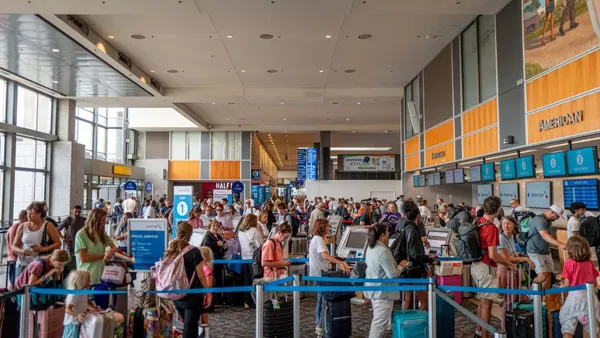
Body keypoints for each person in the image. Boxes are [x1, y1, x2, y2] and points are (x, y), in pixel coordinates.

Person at [472, 196, 516, 338]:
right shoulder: (491, 228)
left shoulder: (478, 222)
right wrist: (508, 263)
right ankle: (485, 335)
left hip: (475, 265)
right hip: (485, 267)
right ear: (497, 211)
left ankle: (479, 331)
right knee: (487, 304)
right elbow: (493, 255)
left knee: (482, 300)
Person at [167, 222, 210, 338]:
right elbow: (201, 276)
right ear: (190, 234)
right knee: (190, 328)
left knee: (188, 325)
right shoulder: (194, 251)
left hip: (176, 293)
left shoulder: (171, 249)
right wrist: (208, 293)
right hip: (192, 294)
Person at [309, 219, 351, 335]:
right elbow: (325, 255)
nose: (329, 228)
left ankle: (320, 324)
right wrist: (340, 263)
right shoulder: (319, 240)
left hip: (318, 273)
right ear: (323, 227)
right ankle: (320, 325)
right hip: (320, 274)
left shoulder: (318, 239)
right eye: (328, 226)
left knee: (321, 299)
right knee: (322, 300)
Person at [497, 216, 536, 332]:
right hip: (505, 270)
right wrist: (525, 259)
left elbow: (511, 254)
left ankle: (514, 325)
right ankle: (505, 327)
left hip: (511, 269)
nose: (506, 226)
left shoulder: (511, 237)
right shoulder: (501, 237)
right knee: (508, 300)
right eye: (504, 224)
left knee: (516, 298)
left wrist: (518, 256)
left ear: (514, 225)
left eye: (508, 224)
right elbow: (506, 258)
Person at [364, 223, 401, 338]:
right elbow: (392, 274)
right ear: (383, 235)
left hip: (374, 291)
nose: (389, 235)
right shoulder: (383, 251)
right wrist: (401, 266)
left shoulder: (371, 248)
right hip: (383, 293)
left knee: (378, 321)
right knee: (378, 326)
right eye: (387, 233)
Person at [559, 236, 600, 337]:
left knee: (567, 328)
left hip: (575, 299)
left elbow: (567, 284)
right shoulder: (589, 263)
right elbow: (594, 283)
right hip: (589, 298)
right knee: (594, 329)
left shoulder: (569, 263)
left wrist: (562, 286)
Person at [397, 201, 435, 310]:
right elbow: (416, 254)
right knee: (425, 302)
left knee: (408, 301)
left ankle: (407, 324)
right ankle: (422, 325)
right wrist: (429, 259)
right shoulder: (413, 230)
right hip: (414, 271)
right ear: (417, 217)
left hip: (406, 268)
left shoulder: (404, 227)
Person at [12, 202, 62, 277]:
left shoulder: (48, 225)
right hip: (22, 263)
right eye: (27, 213)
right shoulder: (22, 226)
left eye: (31, 213)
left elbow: (58, 243)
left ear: (39, 214)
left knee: (35, 286)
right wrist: (23, 251)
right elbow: (14, 246)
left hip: (39, 263)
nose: (28, 215)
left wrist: (43, 249)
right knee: (20, 286)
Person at [526, 205, 566, 290]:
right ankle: (532, 295)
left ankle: (545, 298)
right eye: (557, 216)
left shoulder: (549, 221)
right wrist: (560, 244)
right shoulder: (539, 220)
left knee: (548, 275)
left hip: (545, 251)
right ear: (552, 212)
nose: (558, 219)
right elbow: (544, 235)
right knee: (542, 275)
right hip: (535, 251)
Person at [75, 208, 118, 285]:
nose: (105, 223)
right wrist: (103, 256)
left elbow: (114, 247)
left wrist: (111, 251)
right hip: (87, 278)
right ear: (95, 220)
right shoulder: (81, 235)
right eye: (103, 220)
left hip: (100, 276)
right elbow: (83, 258)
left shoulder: (101, 234)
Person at [62, 270, 101, 338]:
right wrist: (77, 315)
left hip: (79, 321)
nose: (90, 282)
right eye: (88, 279)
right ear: (82, 281)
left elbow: (86, 304)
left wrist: (95, 310)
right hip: (72, 322)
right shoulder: (74, 294)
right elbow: (67, 309)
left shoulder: (84, 291)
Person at [237, 214, 264, 308]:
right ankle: (255, 301)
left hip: (244, 258)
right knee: (255, 280)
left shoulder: (240, 231)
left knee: (246, 280)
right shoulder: (254, 231)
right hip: (254, 259)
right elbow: (260, 245)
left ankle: (246, 301)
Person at [58, 205, 87, 274]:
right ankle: (69, 274)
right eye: (75, 211)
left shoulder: (84, 220)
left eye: (79, 212)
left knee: (79, 259)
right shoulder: (68, 219)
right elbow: (57, 229)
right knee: (69, 260)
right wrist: (63, 239)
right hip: (70, 244)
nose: (77, 213)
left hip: (81, 243)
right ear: (72, 211)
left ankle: (78, 272)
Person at [203, 219, 227, 300]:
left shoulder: (219, 236)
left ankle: (219, 297)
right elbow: (206, 246)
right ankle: (213, 298)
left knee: (219, 279)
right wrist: (216, 244)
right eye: (214, 226)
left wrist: (225, 247)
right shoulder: (208, 235)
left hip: (219, 259)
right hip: (212, 260)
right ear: (210, 227)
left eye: (217, 226)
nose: (215, 227)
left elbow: (223, 245)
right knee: (213, 279)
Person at [6, 210, 27, 289]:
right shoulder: (14, 229)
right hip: (14, 259)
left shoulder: (18, 227)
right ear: (25, 218)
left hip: (15, 258)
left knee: (14, 281)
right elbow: (13, 247)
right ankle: (12, 299)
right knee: (13, 282)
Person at [199, 246, 214, 337]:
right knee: (204, 318)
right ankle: (205, 334)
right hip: (204, 297)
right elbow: (209, 285)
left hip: (202, 296)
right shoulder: (207, 269)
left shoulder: (201, 268)